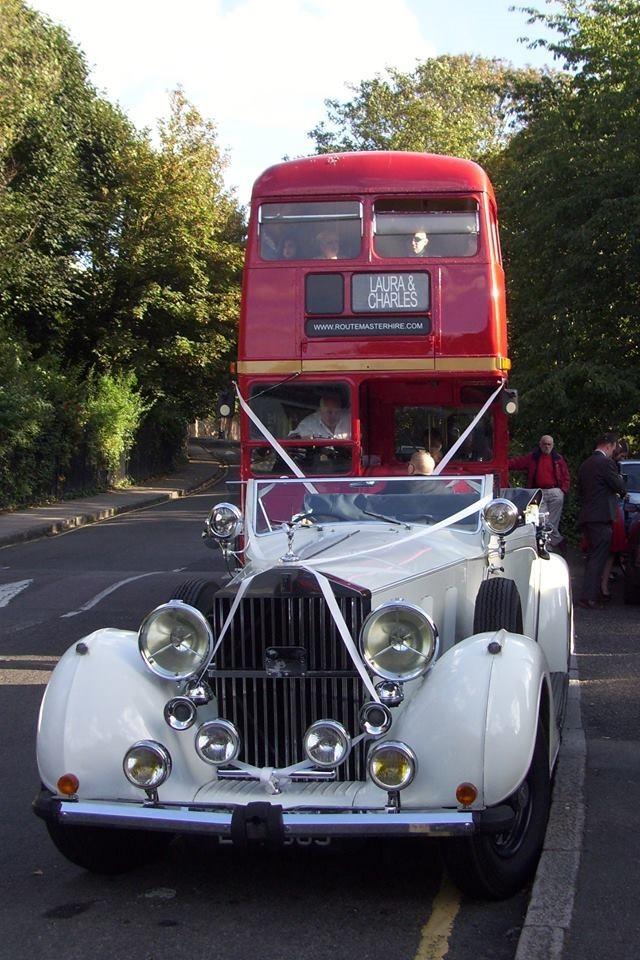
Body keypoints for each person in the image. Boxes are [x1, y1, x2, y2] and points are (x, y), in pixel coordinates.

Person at [576, 432, 627, 609]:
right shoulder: (605, 463)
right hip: (601, 516)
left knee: (592, 556)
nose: (614, 451)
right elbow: (618, 486)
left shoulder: (586, 464)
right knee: (598, 557)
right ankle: (589, 597)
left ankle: (589, 594)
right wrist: (621, 485)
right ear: (608, 445)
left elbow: (581, 491)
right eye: (614, 448)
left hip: (588, 515)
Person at [509, 435, 570, 552]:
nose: (547, 447)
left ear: (552, 446)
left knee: (552, 522)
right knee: (542, 520)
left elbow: (566, 475)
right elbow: (517, 463)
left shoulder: (558, 459)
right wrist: (502, 464)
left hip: (555, 492)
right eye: (545, 444)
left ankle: (549, 547)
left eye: (549, 444)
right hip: (539, 492)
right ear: (540, 444)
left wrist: (563, 490)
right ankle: (559, 541)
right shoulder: (533, 457)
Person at [599, 441, 629, 599]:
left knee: (605, 550)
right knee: (610, 549)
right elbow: (619, 487)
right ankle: (603, 585)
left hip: (605, 510)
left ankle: (602, 582)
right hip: (611, 510)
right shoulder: (610, 465)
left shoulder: (604, 463)